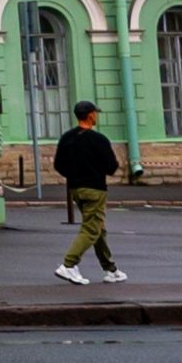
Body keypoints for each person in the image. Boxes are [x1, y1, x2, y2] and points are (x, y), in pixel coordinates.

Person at [50, 98, 123, 285]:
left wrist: (73, 175)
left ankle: (110, 269)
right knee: (91, 229)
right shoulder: (99, 140)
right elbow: (111, 167)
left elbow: (58, 164)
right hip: (95, 189)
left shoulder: (67, 138)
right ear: (90, 115)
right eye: (95, 113)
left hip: (76, 189)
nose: (96, 115)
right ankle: (69, 265)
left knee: (98, 228)